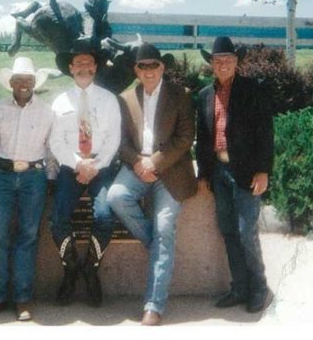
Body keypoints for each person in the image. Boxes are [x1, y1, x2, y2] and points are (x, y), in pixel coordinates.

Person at [107, 43, 197, 326]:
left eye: (153, 66)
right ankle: (158, 247)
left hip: (170, 170)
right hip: (135, 167)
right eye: (142, 66)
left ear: (163, 67)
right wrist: (138, 163)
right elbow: (119, 142)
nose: (148, 71)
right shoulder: (124, 98)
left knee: (164, 227)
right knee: (116, 197)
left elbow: (185, 137)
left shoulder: (180, 95)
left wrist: (154, 163)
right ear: (136, 69)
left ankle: (154, 305)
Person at [195, 36, 275, 314]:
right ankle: (240, 287)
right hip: (219, 172)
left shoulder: (253, 90)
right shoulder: (205, 95)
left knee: (245, 232)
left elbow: (266, 132)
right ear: (212, 65)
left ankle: (260, 288)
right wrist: (204, 173)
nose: (224, 64)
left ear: (237, 62)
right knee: (228, 232)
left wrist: (264, 170)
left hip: (247, 173)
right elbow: (203, 138)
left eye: (228, 59)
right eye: (218, 61)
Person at [0, 57, 56, 322]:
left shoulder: (47, 111)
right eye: (19, 80)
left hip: (34, 177)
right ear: (10, 83)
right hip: (4, 177)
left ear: (35, 83)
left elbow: (51, 148)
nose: (24, 84)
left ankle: (23, 299)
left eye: (28, 80)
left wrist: (51, 177)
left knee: (28, 236)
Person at [49, 37, 121, 307]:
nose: (83, 67)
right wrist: (79, 164)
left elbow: (114, 138)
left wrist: (95, 166)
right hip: (71, 167)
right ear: (70, 68)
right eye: (78, 63)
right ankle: (70, 269)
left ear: (95, 68)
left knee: (104, 215)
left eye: (88, 63)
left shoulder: (109, 100)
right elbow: (56, 141)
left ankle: (90, 268)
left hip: (101, 167)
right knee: (58, 218)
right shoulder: (60, 101)